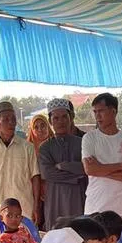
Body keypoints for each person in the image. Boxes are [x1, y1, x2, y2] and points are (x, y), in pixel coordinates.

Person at [82, 93, 122, 221]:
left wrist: (101, 169)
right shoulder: (89, 138)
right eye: (95, 112)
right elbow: (90, 169)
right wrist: (120, 166)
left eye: (101, 111)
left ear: (113, 111)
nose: (97, 116)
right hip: (95, 206)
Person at [0, 102, 40, 223]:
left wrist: (36, 206)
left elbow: (35, 177)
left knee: (25, 235)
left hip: (24, 208)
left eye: (13, 119)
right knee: (1, 235)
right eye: (6, 119)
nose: (11, 123)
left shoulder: (27, 147)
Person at [38, 98, 87, 229]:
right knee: (57, 233)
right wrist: (77, 175)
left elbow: (87, 168)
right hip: (55, 198)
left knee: (80, 232)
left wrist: (64, 166)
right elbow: (47, 174)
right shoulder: (45, 147)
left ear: (71, 118)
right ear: (50, 121)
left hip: (79, 197)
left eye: (64, 117)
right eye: (56, 118)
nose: (61, 121)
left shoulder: (83, 143)